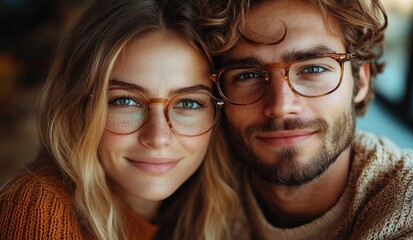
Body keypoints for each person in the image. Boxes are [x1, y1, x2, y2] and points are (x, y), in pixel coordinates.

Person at [0, 0, 239, 239]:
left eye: (188, 103)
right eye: (125, 101)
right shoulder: (39, 212)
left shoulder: (200, 216)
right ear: (77, 108)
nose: (158, 138)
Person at [200, 0, 413, 239]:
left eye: (313, 69)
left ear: (360, 80)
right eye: (247, 75)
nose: (281, 106)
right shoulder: (191, 183)